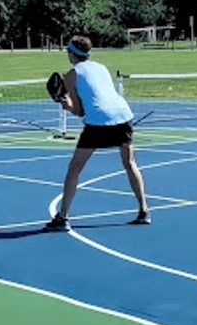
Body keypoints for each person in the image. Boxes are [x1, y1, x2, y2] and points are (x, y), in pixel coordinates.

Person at [44, 35, 150, 232]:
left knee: (74, 169)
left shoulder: (72, 74)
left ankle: (63, 217)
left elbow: (79, 110)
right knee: (130, 163)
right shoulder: (101, 68)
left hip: (98, 122)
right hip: (123, 115)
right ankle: (144, 211)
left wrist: (63, 102)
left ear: (71, 53)